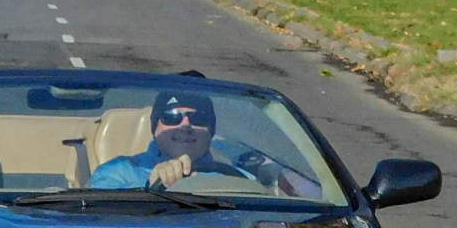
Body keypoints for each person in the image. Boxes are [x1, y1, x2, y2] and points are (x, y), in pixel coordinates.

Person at [88, 88, 322, 197]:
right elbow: (93, 211)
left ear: (211, 130)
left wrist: (291, 181)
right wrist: (148, 188)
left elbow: (316, 200)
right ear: (154, 128)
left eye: (198, 118)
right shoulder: (118, 172)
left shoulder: (239, 177)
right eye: (171, 117)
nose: (185, 125)